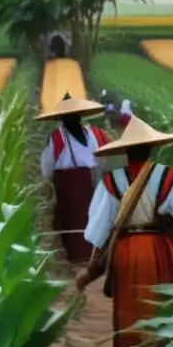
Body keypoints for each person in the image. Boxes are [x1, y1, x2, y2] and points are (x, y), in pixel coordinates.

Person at [75, 117, 173, 347]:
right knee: (164, 302)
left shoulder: (111, 181)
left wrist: (95, 263)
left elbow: (98, 230)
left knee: (130, 305)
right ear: (153, 148)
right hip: (161, 248)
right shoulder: (169, 176)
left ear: (126, 150)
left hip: (126, 250)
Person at [37, 93, 111, 263]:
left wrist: (50, 180)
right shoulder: (94, 133)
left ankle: (83, 256)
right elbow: (104, 159)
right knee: (86, 216)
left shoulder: (58, 137)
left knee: (78, 218)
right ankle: (91, 255)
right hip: (84, 180)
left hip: (71, 182)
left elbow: (47, 166)